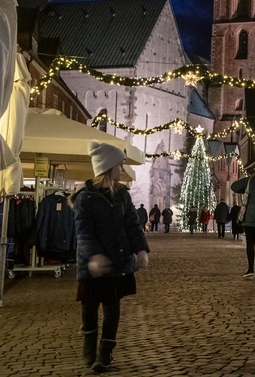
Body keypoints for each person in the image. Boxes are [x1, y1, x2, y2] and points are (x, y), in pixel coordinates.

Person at [72, 141, 149, 373]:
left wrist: (141, 249)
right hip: (91, 265)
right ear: (108, 167)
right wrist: (93, 256)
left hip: (118, 260)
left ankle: (104, 353)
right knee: (89, 306)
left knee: (112, 307)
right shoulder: (85, 198)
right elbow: (83, 232)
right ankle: (89, 344)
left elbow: (133, 225)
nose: (123, 170)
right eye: (120, 165)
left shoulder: (123, 195)